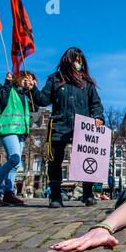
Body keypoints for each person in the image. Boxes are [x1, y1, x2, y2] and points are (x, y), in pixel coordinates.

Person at [32, 47, 105, 208]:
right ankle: (56, 196)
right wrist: (32, 89)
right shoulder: (55, 79)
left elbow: (96, 104)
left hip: (83, 127)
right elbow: (43, 100)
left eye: (80, 60)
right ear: (68, 60)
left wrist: (98, 117)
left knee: (88, 159)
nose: (78, 63)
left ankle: (87, 194)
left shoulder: (87, 82)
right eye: (75, 60)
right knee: (55, 162)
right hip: (59, 125)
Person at [0, 71, 39, 206]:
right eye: (25, 79)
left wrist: (33, 90)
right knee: (14, 158)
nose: (27, 82)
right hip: (8, 128)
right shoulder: (8, 89)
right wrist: (8, 83)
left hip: (20, 131)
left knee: (16, 163)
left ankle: (8, 193)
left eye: (30, 80)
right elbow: (0, 100)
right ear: (18, 78)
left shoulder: (24, 95)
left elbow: (35, 108)